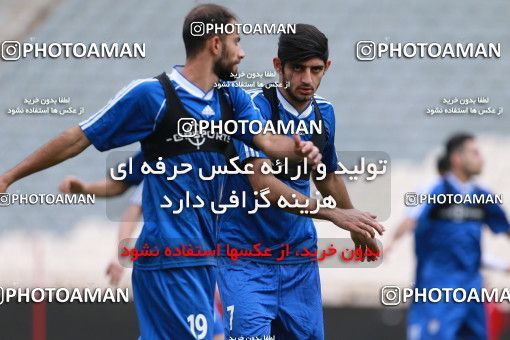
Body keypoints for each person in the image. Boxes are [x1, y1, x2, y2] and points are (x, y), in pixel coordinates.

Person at [0, 5, 327, 339]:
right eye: (236, 42)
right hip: (170, 257)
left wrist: (301, 149)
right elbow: (79, 137)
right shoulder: (152, 96)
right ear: (215, 44)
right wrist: (10, 176)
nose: (242, 53)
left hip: (204, 259)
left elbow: (269, 141)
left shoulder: (233, 101)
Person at [217, 24, 383, 339]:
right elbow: (263, 185)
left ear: (327, 67)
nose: (307, 79)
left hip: (297, 258)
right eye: (297, 68)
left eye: (316, 69)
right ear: (279, 66)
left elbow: (326, 174)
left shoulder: (325, 114)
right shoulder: (252, 109)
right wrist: (334, 214)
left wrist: (353, 222)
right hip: (245, 258)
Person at [406, 133, 510, 340]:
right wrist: (383, 242)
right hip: (439, 288)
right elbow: (411, 220)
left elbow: (474, 248)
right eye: (475, 152)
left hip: (471, 288)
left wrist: (500, 266)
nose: (481, 158)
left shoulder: (481, 195)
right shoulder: (435, 191)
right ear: (456, 158)